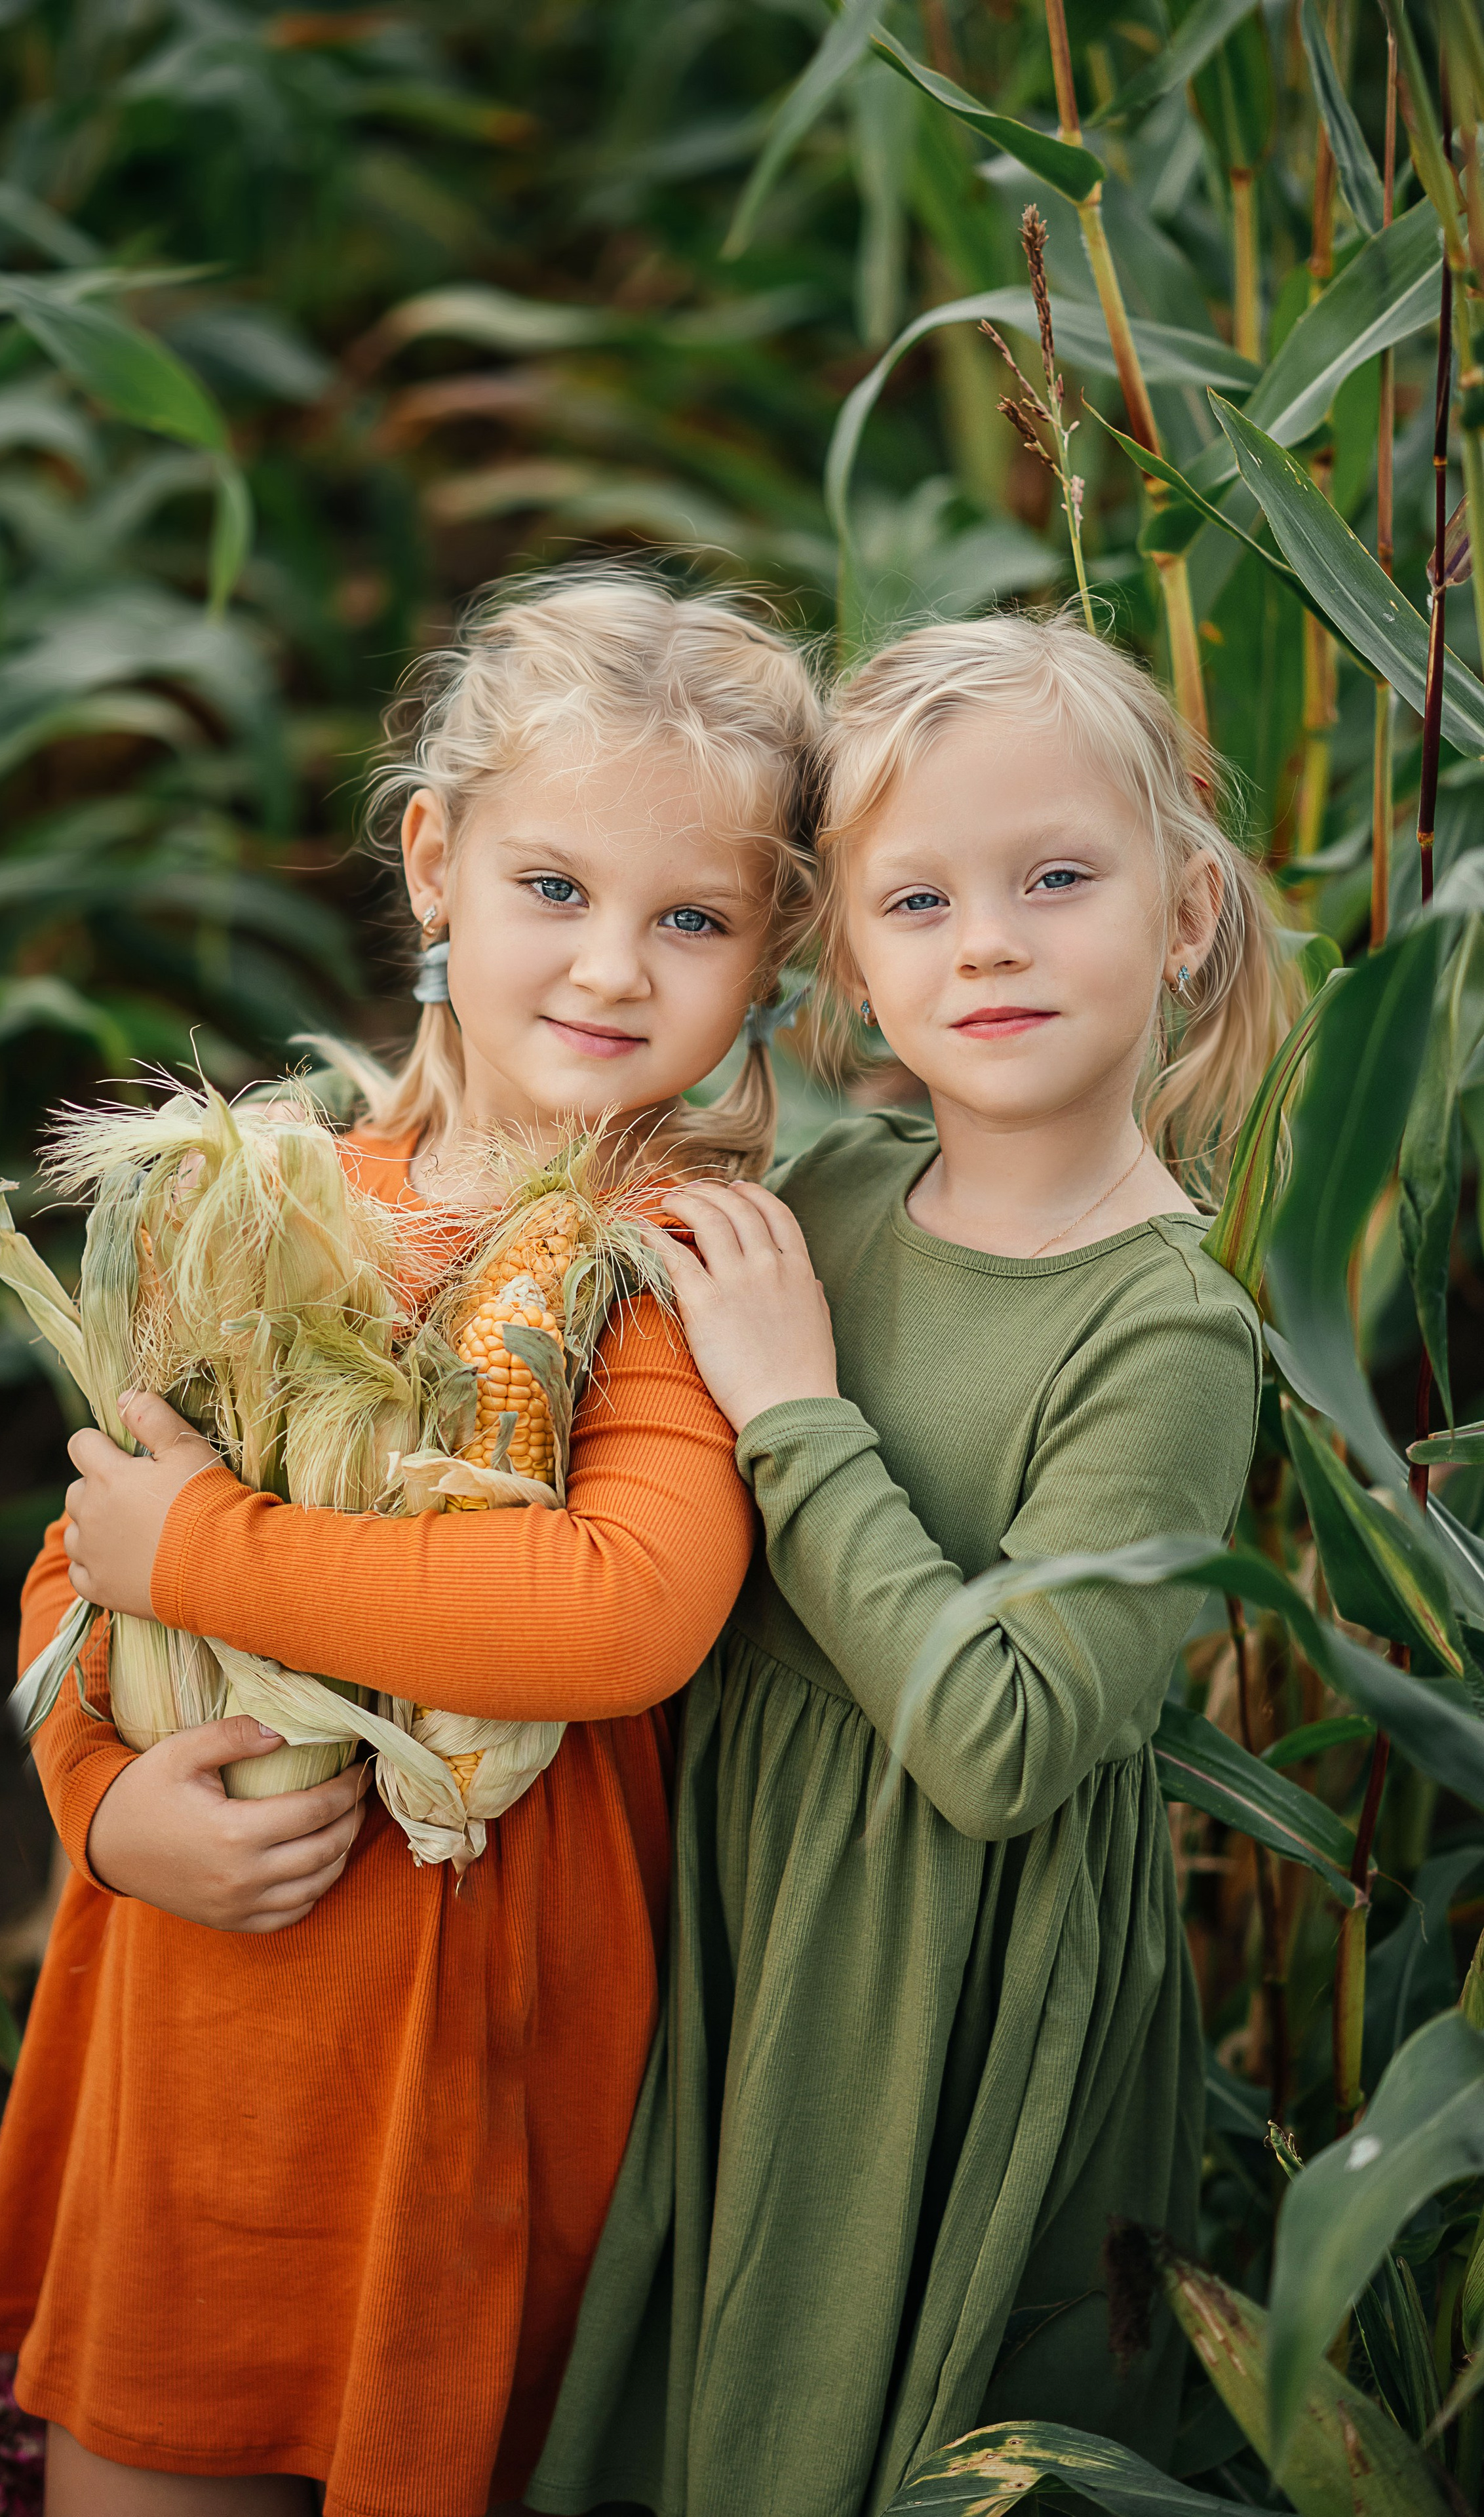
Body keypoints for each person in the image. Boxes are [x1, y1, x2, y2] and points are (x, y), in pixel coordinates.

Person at [0, 569, 823, 2517]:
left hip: (465, 2050)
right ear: (435, 865)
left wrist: (210, 1555)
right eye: (555, 888)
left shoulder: (669, 1266)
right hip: (201, 2017)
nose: (613, 967)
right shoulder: (250, 1200)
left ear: (772, 950)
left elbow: (619, 1616)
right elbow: (91, 1562)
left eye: (692, 920)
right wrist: (104, 1808)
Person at [528, 612, 1290, 2517]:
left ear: (1189, 914)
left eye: (1057, 879)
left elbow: (1004, 1744)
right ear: (850, 963)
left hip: (939, 1991)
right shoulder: (826, 1200)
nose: (990, 943)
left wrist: (797, 1416)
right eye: (920, 901)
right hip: (744, 1915)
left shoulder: (1165, 1328)